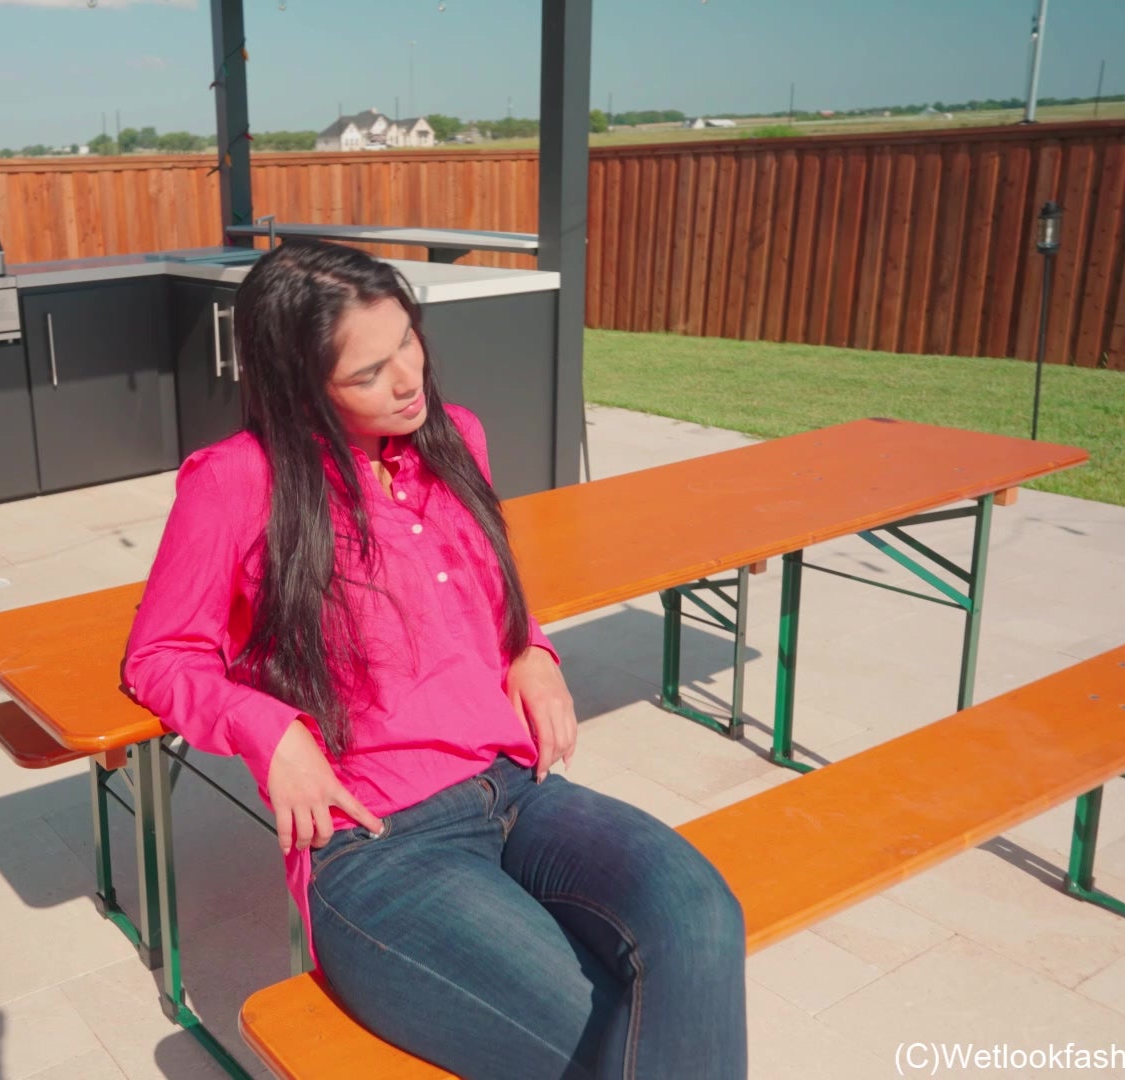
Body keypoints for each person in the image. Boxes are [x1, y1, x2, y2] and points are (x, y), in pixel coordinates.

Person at [121, 240, 746, 1079]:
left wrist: (531, 648)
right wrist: (270, 731)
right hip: (379, 846)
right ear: (302, 384)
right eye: (369, 372)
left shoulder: (457, 439)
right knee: (598, 1030)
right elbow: (160, 655)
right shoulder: (239, 481)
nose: (408, 378)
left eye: (408, 341)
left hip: (517, 790)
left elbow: (494, 596)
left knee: (700, 913)